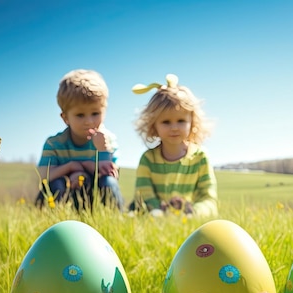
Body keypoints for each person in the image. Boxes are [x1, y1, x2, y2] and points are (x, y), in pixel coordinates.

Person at [130, 74, 218, 218]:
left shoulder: (200, 157)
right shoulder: (148, 159)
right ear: (154, 125)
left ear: (192, 122)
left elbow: (209, 199)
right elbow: (143, 195)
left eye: (181, 121)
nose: (174, 127)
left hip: (189, 221)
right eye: (166, 122)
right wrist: (161, 211)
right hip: (155, 220)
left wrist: (193, 212)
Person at [36, 69, 124, 210]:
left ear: (104, 111)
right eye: (80, 115)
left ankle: (114, 221)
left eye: (95, 113)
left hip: (93, 198)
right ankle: (53, 224)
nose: (89, 121)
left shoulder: (108, 140)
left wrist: (101, 151)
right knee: (55, 184)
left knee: (109, 182)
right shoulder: (54, 144)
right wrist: (71, 167)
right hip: (66, 195)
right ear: (65, 118)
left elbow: (110, 173)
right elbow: (44, 176)